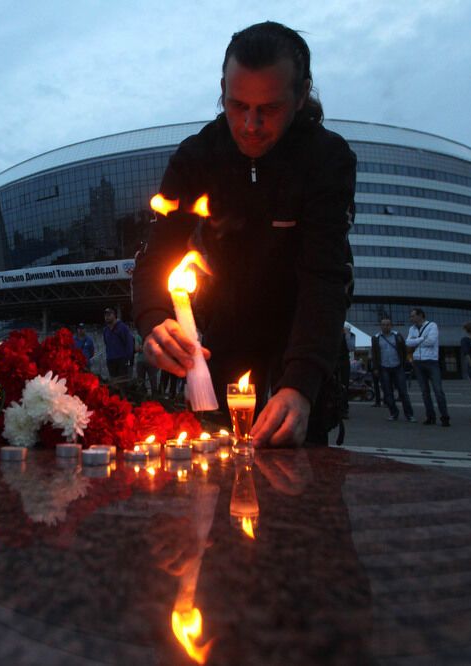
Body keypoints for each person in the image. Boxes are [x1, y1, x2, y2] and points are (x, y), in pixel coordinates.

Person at [132, 22, 355, 447]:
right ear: (222, 88)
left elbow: (325, 277)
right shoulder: (196, 157)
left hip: (302, 332)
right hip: (222, 335)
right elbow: (155, 255)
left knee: (302, 477)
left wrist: (302, 383)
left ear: (301, 94)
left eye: (269, 109)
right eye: (237, 106)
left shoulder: (327, 159)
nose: (250, 125)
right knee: (211, 471)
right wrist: (153, 320)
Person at [406, 308, 450, 426]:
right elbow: (408, 342)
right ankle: (430, 416)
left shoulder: (432, 325)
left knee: (438, 390)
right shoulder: (412, 328)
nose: (411, 318)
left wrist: (416, 340)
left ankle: (445, 417)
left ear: (420, 315)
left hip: (431, 361)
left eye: (413, 316)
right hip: (418, 362)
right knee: (424, 391)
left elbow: (431, 341)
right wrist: (420, 340)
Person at [371, 317, 415, 422]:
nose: (386, 326)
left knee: (403, 392)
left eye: (388, 324)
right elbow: (374, 354)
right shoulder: (376, 338)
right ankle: (393, 413)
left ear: (391, 326)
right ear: (380, 326)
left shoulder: (397, 336)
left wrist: (403, 363)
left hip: (397, 367)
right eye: (383, 324)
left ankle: (409, 414)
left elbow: (404, 350)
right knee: (387, 392)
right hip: (384, 368)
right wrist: (376, 368)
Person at [102, 308, 134, 380]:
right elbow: (106, 343)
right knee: (114, 383)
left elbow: (129, 343)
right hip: (110, 360)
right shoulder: (105, 330)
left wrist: (127, 359)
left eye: (109, 315)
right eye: (105, 315)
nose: (107, 317)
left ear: (114, 315)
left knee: (122, 382)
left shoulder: (122, 327)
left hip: (122, 359)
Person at [133, 330, 159, 395]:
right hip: (141, 361)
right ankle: (143, 399)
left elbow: (156, 348)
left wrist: (142, 347)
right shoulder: (138, 335)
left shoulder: (153, 335)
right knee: (141, 382)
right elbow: (136, 349)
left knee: (153, 382)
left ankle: (155, 398)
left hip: (151, 362)